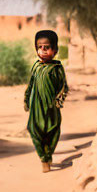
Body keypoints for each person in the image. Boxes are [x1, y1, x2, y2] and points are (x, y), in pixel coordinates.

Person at [24, 29, 68, 172]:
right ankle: (43, 158)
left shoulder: (57, 68)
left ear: (55, 50)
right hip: (36, 107)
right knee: (33, 130)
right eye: (39, 47)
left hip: (51, 107)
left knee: (53, 131)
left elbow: (63, 87)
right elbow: (31, 84)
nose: (42, 50)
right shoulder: (36, 66)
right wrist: (26, 99)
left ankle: (48, 155)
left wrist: (58, 101)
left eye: (47, 47)